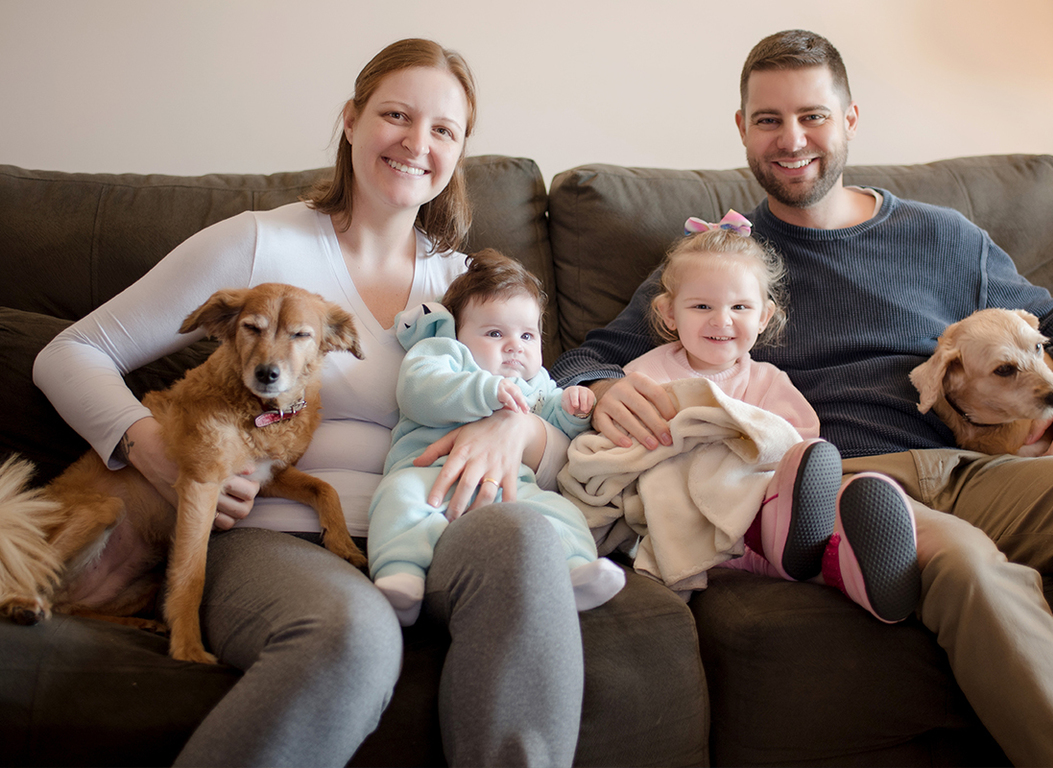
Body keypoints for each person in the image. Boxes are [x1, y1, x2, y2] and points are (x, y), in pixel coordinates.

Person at [551, 29, 1053, 768]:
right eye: (768, 120)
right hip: (848, 482)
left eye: (813, 116)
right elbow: (586, 355)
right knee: (966, 564)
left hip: (971, 463)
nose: (792, 139)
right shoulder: (723, 263)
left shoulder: (946, 237)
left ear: (850, 119)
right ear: (742, 130)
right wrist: (600, 388)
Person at [34, 39, 585, 767]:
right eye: (396, 114)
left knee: (528, 543)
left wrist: (517, 436)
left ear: (459, 151)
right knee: (350, 633)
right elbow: (68, 354)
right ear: (352, 120)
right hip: (279, 531)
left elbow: (553, 430)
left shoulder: (467, 287)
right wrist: (151, 447)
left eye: (444, 130)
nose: (418, 143)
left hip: (436, 524)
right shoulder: (259, 243)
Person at [584, 212, 920, 622]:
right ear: (670, 314)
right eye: (702, 305)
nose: (721, 320)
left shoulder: (766, 380)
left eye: (740, 306)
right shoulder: (647, 374)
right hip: (698, 513)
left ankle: (853, 566)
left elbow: (798, 445)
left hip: (761, 503)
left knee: (796, 523)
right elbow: (625, 442)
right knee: (769, 543)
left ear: (763, 317)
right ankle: (815, 554)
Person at [368, 249, 625, 625]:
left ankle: (575, 571)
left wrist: (574, 410)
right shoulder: (444, 354)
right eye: (494, 333)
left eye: (527, 335)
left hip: (510, 485)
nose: (514, 346)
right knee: (398, 499)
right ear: (457, 332)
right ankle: (401, 576)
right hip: (427, 472)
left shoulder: (537, 383)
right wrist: (486, 390)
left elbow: (555, 426)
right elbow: (420, 392)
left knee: (561, 513)